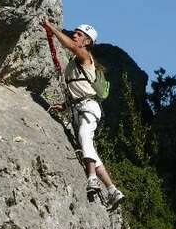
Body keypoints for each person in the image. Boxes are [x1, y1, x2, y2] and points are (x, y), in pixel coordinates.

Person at [43, 19, 124, 208]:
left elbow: (69, 45)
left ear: (87, 42)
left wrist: (52, 28)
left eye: (79, 34)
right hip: (79, 107)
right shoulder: (75, 62)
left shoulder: (85, 56)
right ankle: (112, 190)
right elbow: (79, 89)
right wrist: (63, 106)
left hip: (89, 107)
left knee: (84, 136)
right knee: (91, 149)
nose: (75, 35)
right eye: (76, 33)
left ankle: (92, 179)